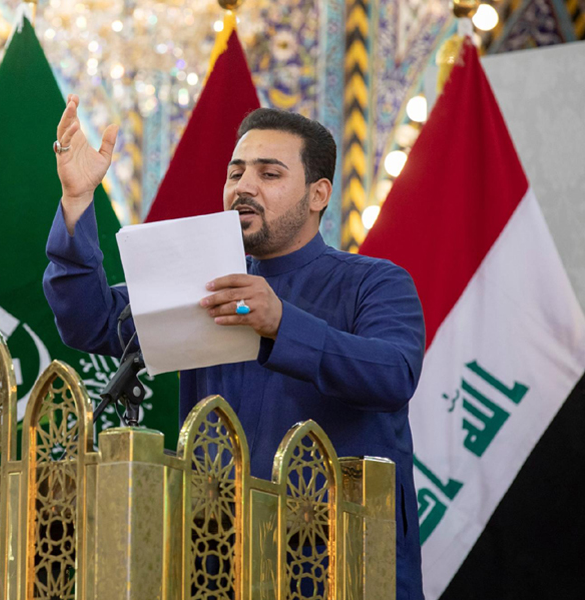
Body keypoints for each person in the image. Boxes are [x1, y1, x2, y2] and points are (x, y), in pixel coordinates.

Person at [43, 95, 425, 600]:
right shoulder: (207, 282)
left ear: (318, 194)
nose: (243, 186)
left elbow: (394, 373)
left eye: (269, 174)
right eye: (236, 172)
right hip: (217, 563)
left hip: (339, 561)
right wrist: (76, 201)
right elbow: (88, 320)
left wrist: (281, 323)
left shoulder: (374, 282)